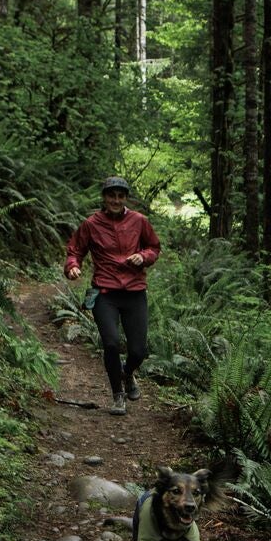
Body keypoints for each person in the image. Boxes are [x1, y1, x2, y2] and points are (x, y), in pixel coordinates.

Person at [64, 177, 162, 415]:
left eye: (120, 196)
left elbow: (154, 247)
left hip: (135, 291)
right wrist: (73, 266)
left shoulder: (139, 221)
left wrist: (144, 256)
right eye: (111, 196)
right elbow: (75, 250)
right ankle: (118, 395)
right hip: (105, 291)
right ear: (104, 197)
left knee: (138, 351)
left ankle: (128, 374)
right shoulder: (91, 224)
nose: (116, 200)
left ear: (125, 198)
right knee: (111, 343)